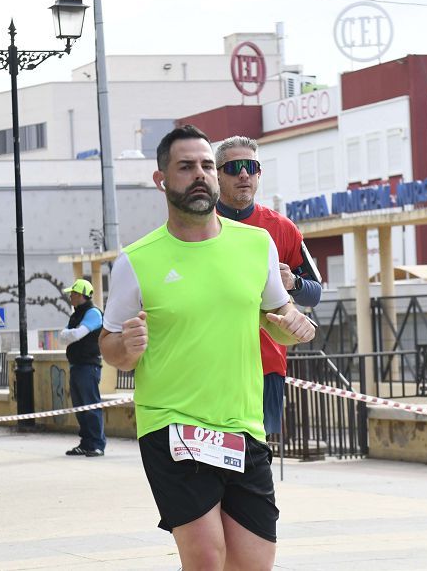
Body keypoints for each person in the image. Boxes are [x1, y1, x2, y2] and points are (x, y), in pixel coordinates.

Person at [100, 124, 316, 570]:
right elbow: (109, 344)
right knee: (206, 557)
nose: (199, 175)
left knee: (253, 563)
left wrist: (294, 324)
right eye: (185, 167)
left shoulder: (258, 245)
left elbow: (277, 318)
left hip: (242, 427)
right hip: (173, 427)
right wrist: (127, 347)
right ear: (162, 180)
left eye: (204, 166)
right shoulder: (137, 261)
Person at [215, 135, 323, 437]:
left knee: (258, 457)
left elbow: (315, 291)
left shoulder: (282, 228)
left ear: (259, 174)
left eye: (251, 166)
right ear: (217, 174)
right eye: (234, 167)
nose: (244, 174)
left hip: (267, 365)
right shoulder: (200, 226)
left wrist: (292, 281)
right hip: (212, 364)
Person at [57, 278, 106, 457]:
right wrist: (68, 334)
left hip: (88, 366)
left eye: (73, 293)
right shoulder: (76, 314)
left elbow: (77, 334)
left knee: (91, 406)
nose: (70, 296)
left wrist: (68, 334)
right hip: (77, 365)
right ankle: (86, 443)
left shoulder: (93, 313)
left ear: (81, 295)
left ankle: (97, 444)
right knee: (80, 407)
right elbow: (63, 337)